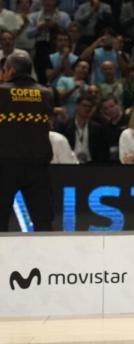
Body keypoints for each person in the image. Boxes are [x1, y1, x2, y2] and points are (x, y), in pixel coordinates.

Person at [0, 53, 55, 231]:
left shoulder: (1, 91)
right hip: (37, 166)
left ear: (12, 70)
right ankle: (46, 257)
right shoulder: (46, 93)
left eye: (4, 69)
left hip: (5, 165)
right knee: (43, 221)